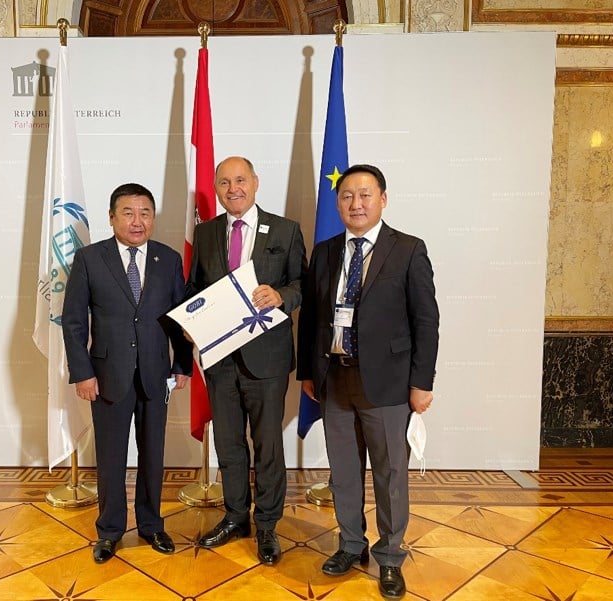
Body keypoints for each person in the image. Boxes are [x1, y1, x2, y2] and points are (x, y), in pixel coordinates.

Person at [297, 164, 439, 599]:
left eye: (364, 195)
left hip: (390, 385)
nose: (355, 204)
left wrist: (422, 382)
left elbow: (426, 321)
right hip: (334, 379)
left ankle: (390, 555)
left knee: (390, 474)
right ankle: (350, 544)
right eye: (346, 196)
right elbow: (312, 318)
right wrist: (307, 372)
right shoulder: (325, 251)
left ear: (383, 199)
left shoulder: (408, 249)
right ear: (338, 203)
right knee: (343, 471)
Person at [62, 182, 192, 564]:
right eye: (129, 213)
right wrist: (82, 373)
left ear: (153, 218)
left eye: (145, 213)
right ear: (112, 217)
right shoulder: (90, 259)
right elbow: (73, 322)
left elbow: (181, 318)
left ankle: (152, 525)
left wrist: (182, 364)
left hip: (156, 375)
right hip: (106, 377)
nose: (138, 221)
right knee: (111, 458)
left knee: (153, 456)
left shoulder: (168, 259)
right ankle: (110, 531)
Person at [186, 156, 307, 565]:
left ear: (255, 182)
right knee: (228, 443)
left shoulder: (286, 229)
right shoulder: (205, 233)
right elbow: (194, 288)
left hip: (267, 360)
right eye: (224, 182)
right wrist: (190, 323)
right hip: (219, 359)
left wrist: (282, 296)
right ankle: (236, 516)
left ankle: (268, 524)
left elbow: (304, 283)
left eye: (240, 180)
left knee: (268, 444)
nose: (233, 188)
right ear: (216, 188)